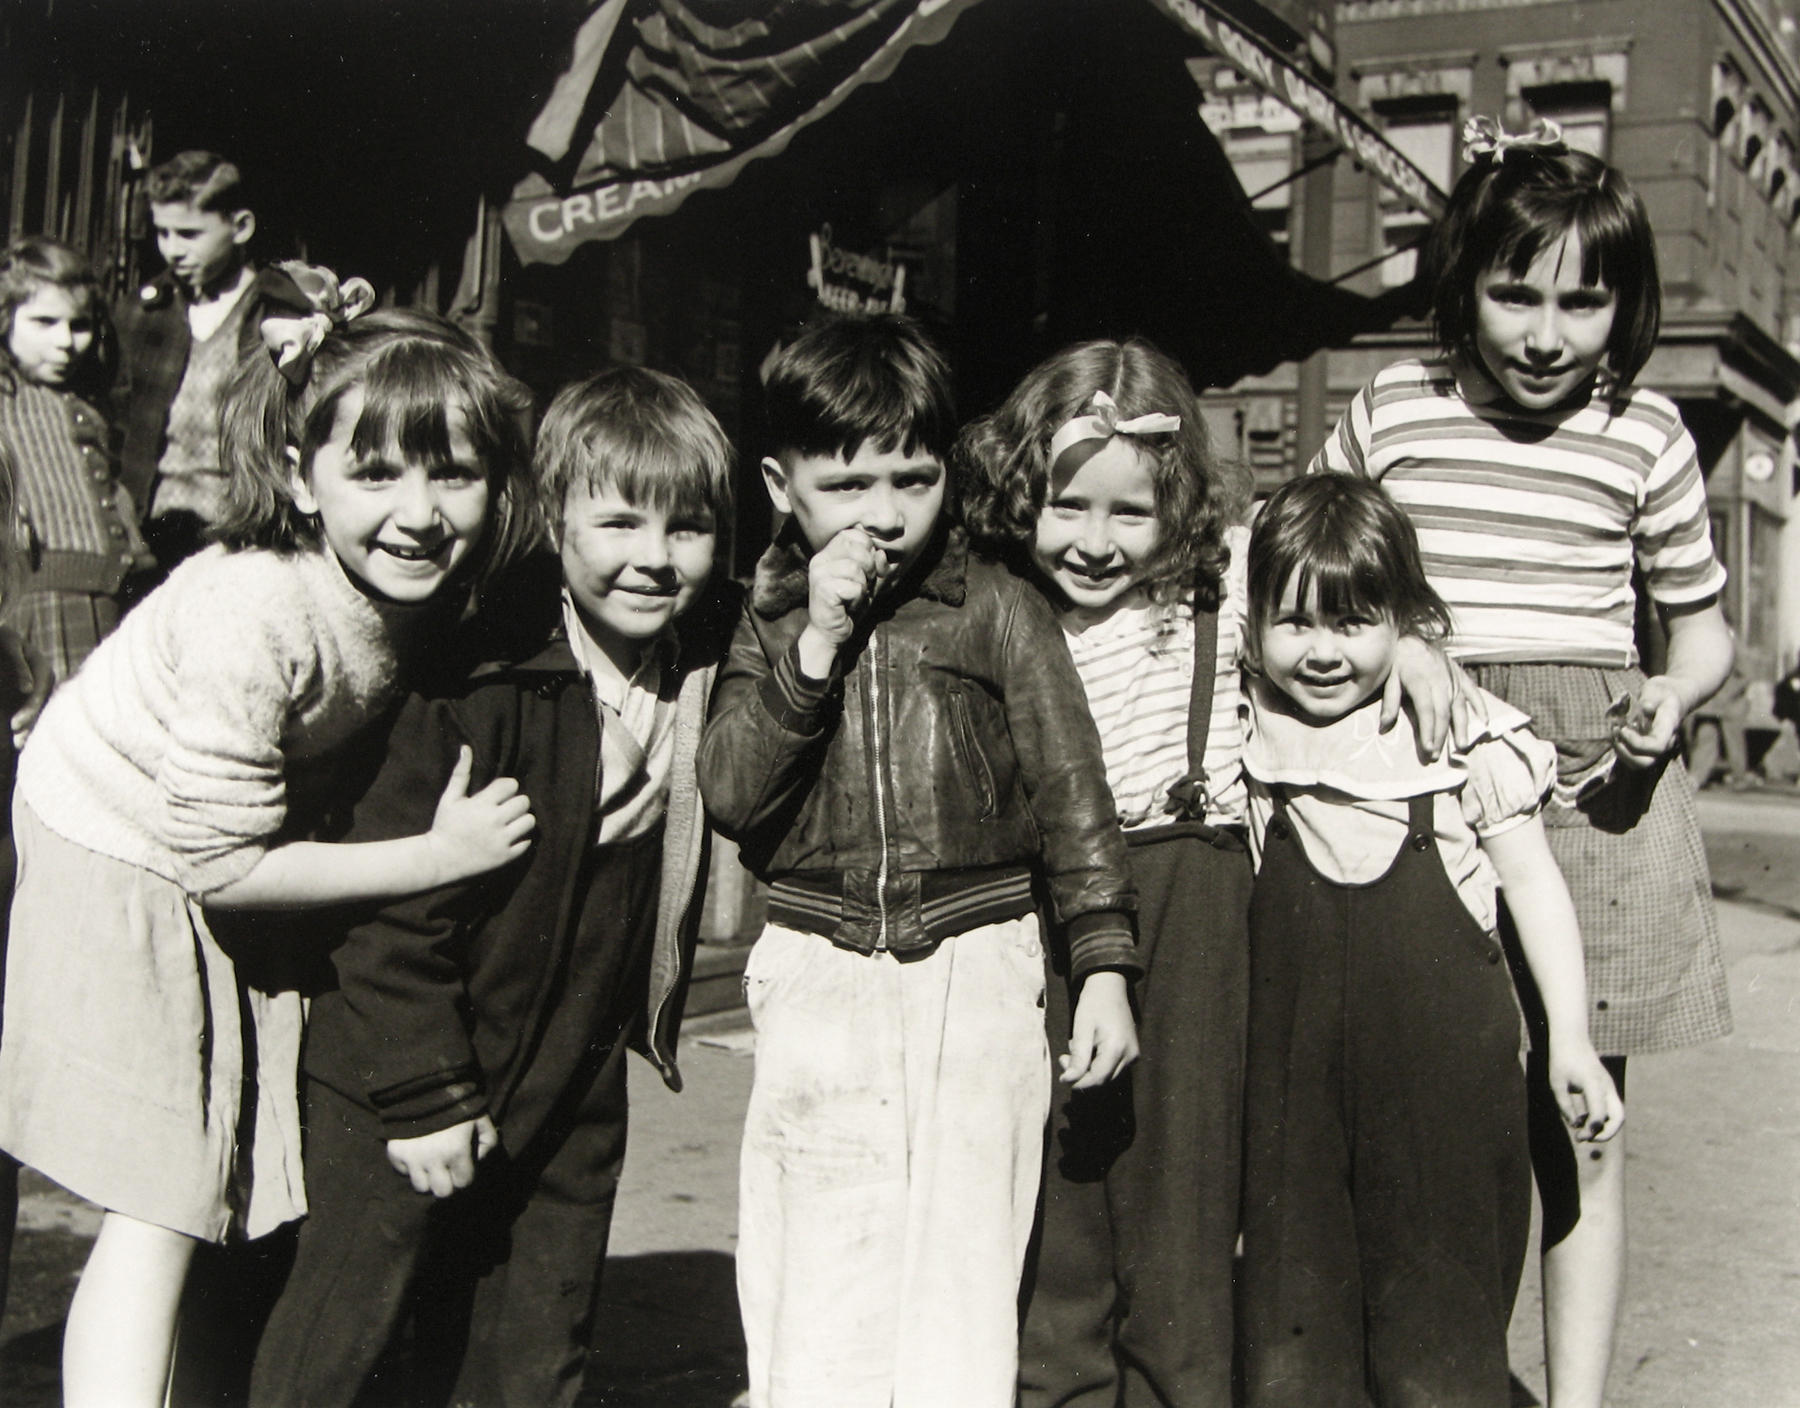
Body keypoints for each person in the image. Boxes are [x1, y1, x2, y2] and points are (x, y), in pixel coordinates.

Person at [0, 294, 542, 1408]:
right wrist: (438, 856)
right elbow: (222, 864)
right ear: (301, 479)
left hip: (222, 843)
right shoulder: (254, 609)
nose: (421, 513)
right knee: (164, 1193)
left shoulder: (421, 591)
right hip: (119, 844)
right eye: (377, 474)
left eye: (456, 475)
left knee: (231, 1165)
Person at [1311, 115, 1734, 1408]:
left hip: (1595, 793)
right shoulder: (1395, 411)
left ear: (1625, 307)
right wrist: (1403, 648)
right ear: (1462, 284)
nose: (1548, 335)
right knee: (1434, 1113)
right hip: (1425, 773)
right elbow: (1307, 565)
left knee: (1581, 1127)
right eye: (1515, 295)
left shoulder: (1646, 435)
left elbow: (1702, 625)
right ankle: (1442, 1380)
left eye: (1582, 304)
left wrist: (1670, 688)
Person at [959, 338, 1463, 1408]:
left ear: (1177, 502)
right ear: (1022, 493)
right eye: (1068, 505)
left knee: (1183, 1189)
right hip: (1037, 908)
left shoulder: (1220, 582)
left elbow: (1340, 594)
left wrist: (1412, 643)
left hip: (1189, 894)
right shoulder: (999, 598)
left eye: (1129, 512)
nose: (1095, 542)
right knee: (1055, 1190)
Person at [249, 365, 743, 1407]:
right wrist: (424, 1091)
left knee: (530, 1350)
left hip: (567, 1078)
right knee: (341, 1342)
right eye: (617, 523)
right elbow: (383, 918)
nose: (654, 559)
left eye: (688, 528)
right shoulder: (478, 681)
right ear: (552, 518)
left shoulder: (697, 666)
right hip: (401, 1076)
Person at [698, 313, 1140, 1408]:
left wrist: (1106, 967)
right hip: (822, 969)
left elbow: (1072, 796)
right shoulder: (764, 626)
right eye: (847, 485)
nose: (887, 515)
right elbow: (731, 791)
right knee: (820, 1273)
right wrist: (815, 643)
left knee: (960, 1278)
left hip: (975, 964)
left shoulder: (995, 607)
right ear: (780, 485)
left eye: (914, 476)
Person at [1237, 472, 1622, 1408]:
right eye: (1296, 624)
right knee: (1293, 1333)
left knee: (1440, 1330)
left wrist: (1568, 1039)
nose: (1323, 651)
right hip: (1295, 1088)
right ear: (1253, 629)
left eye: (1356, 622)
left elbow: (1534, 884)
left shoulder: (1460, 737)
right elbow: (1215, 558)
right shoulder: (1245, 725)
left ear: (1401, 622)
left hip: (1443, 1087)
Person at [113, 150, 292, 577]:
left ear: (241, 227)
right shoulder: (144, 310)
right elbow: (113, 421)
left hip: (237, 532)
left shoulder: (278, 311)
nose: (172, 250)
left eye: (189, 234)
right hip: (148, 532)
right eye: (163, 233)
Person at [0, 236, 154, 687]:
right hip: (37, 604)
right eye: (44, 321)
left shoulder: (84, 403)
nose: (66, 342)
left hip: (103, 603)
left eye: (80, 324)